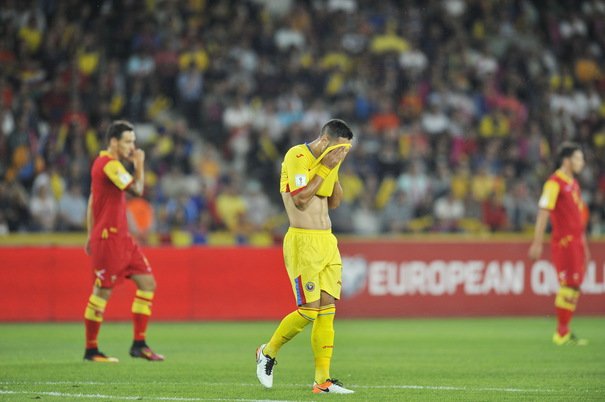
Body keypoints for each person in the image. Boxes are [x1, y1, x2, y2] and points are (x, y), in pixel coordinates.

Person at [256, 119, 355, 394]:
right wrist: (326, 167)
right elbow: (300, 199)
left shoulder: (329, 164)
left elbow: (334, 202)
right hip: (303, 240)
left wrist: (335, 170)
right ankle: (267, 351)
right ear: (325, 141)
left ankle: (321, 381)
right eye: (340, 148)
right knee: (309, 310)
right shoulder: (296, 156)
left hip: (327, 241)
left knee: (327, 311)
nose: (341, 154)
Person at [83, 120, 164, 362]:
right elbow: (138, 189)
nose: (132, 146)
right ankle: (91, 350)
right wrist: (140, 164)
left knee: (148, 283)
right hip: (109, 239)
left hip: (123, 239)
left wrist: (89, 233)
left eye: (134, 141)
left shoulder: (109, 166)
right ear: (114, 142)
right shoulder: (108, 165)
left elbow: (91, 200)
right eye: (128, 141)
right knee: (102, 292)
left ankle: (139, 344)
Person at [528, 142, 590, 346]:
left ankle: (565, 330)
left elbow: (579, 219)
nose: (581, 162)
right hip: (564, 242)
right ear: (566, 160)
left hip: (577, 242)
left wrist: (585, 246)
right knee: (568, 285)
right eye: (578, 158)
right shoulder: (554, 183)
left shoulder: (573, 183)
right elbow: (544, 210)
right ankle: (561, 332)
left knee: (574, 287)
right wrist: (537, 242)